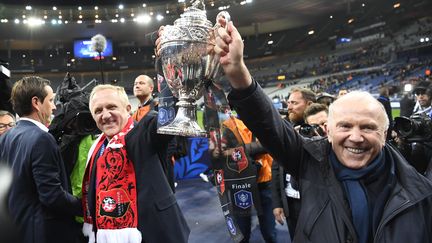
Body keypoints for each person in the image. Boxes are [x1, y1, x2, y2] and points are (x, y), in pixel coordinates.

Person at [213, 19, 432, 243]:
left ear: (385, 134)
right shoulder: (309, 159)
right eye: (345, 126)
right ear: (328, 130)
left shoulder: (421, 191)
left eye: (368, 127)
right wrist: (238, 71)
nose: (355, 138)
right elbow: (269, 125)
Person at [82, 84, 189, 243]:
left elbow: (166, 116)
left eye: (112, 107)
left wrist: (170, 75)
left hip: (156, 234)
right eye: (98, 111)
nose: (105, 115)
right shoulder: (97, 149)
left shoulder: (144, 132)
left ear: (128, 109)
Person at [0, 76, 82, 243]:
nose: (53, 107)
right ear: (36, 102)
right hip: (43, 233)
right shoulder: (41, 138)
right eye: (51, 100)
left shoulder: (6, 136)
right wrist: (85, 206)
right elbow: (51, 196)